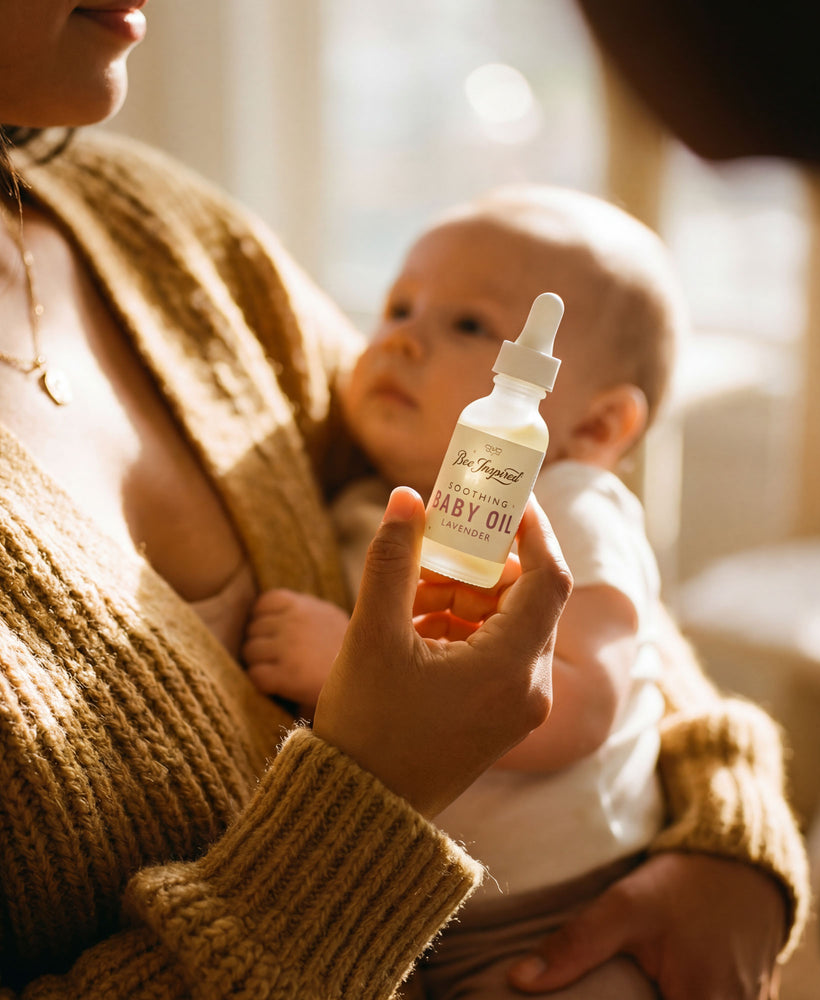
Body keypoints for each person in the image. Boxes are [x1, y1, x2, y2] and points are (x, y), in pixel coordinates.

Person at [0, 2, 806, 997]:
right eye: (403, 311)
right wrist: (372, 790)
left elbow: (554, 568)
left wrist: (726, 840)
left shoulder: (170, 236)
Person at [242, 185, 721, 997]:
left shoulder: (569, 502)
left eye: (466, 325)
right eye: (397, 308)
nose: (401, 342)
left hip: (566, 915)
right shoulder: (361, 504)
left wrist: (345, 669)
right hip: (409, 917)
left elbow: (584, 702)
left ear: (598, 427)